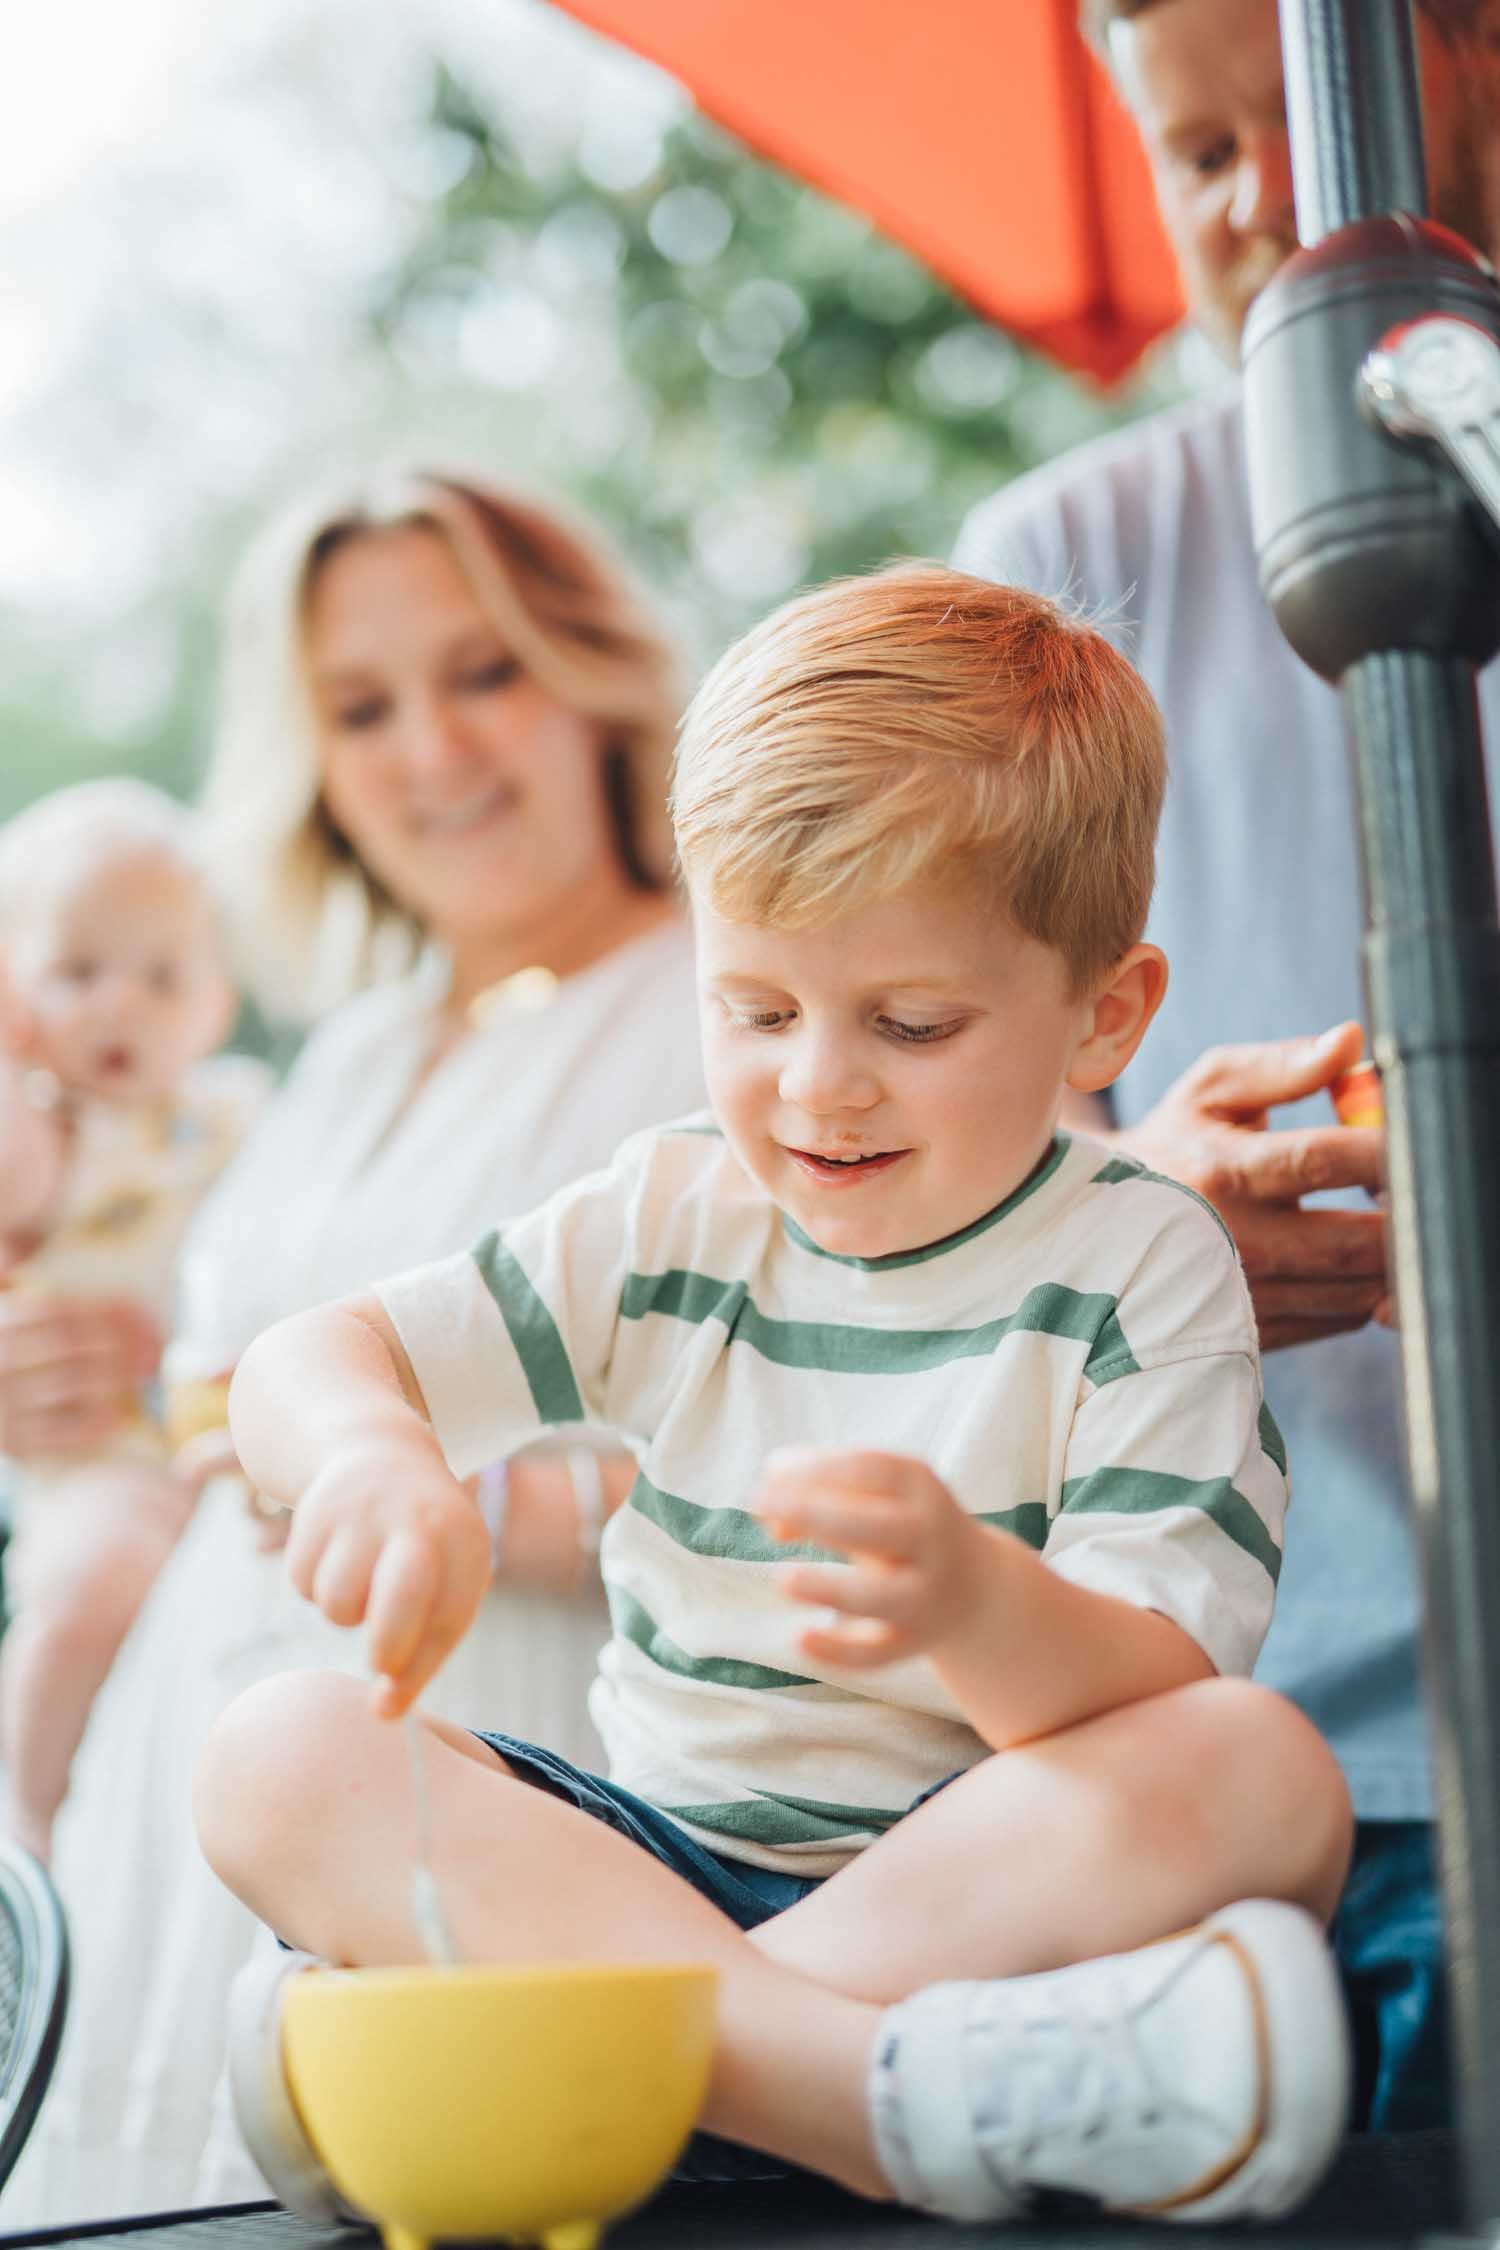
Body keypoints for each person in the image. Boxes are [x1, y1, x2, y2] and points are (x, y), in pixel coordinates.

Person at [200, 564, 1354, 2227]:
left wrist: (973, 1601)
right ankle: (879, 2098)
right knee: (276, 1751)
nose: (819, 1086)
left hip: (974, 1878)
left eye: (912, 1019)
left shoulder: (1144, 1262)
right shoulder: (676, 1210)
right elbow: (312, 1359)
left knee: (1262, 1772)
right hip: (641, 1855)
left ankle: (560, 2055)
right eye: (750, 1009)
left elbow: (1153, 1681)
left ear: (1105, 1012)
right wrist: (377, 1457)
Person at [0, 467, 709, 2227]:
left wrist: (435, 1495)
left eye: (487, 669)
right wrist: (94, 1401)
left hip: (502, 1813)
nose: (431, 752)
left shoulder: (731, 1008)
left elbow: (838, 1434)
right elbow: (208, 1420)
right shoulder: (338, 1061)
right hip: (168, 1837)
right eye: (362, 707)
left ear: (595, 672)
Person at [953, 0, 1500, 2132]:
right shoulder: (1063, 586)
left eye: (1301, 116)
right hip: (1283, 1758)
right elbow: (952, 1199)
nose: (1265, 199)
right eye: (1196, 154)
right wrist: (1141, 1215)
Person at [0, 779, 266, 1861]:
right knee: (93, 1581)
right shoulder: (50, 1133)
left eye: (163, 978)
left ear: (215, 1002)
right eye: (76, 973)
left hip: (212, 1442)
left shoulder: (233, 1110)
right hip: (103, 1452)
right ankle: (25, 1809)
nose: (122, 1007)